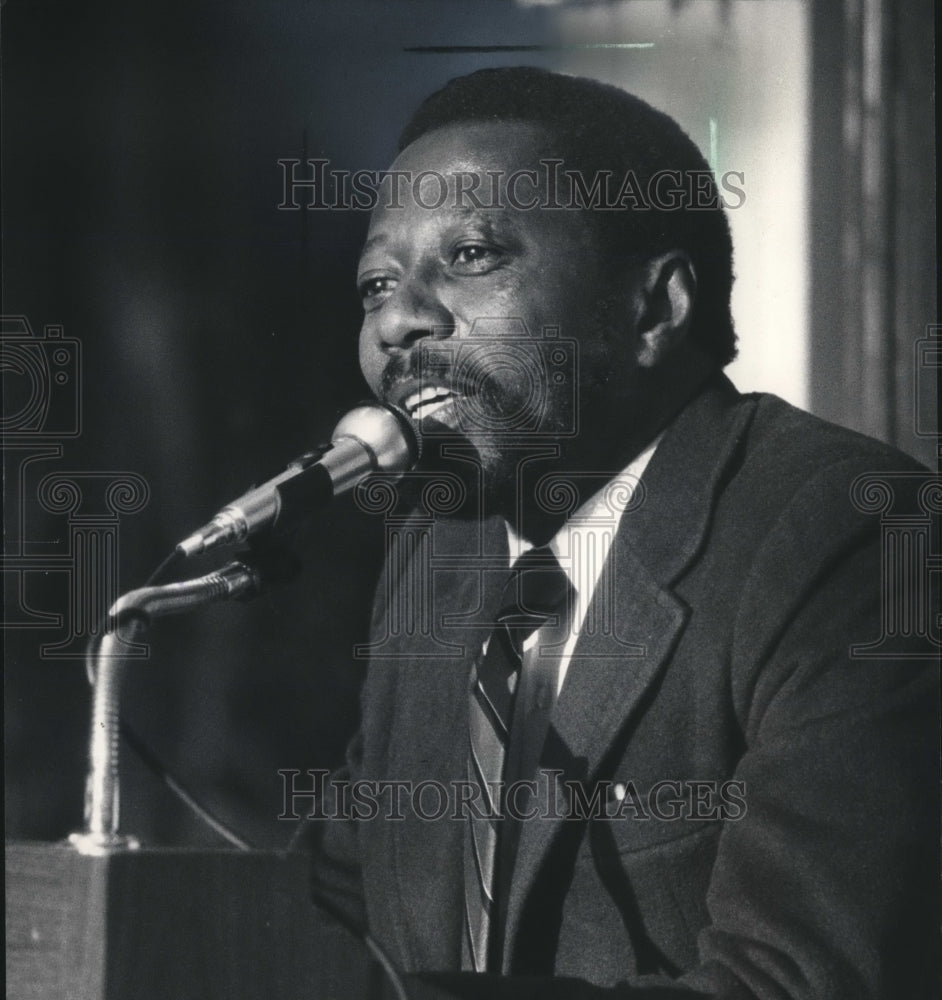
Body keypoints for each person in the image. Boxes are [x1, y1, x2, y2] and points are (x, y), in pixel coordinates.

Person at [304, 67, 938, 999]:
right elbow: (336, 901)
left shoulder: (851, 533)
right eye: (376, 284)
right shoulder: (440, 555)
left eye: (473, 255)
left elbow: (794, 983)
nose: (399, 318)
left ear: (654, 309)